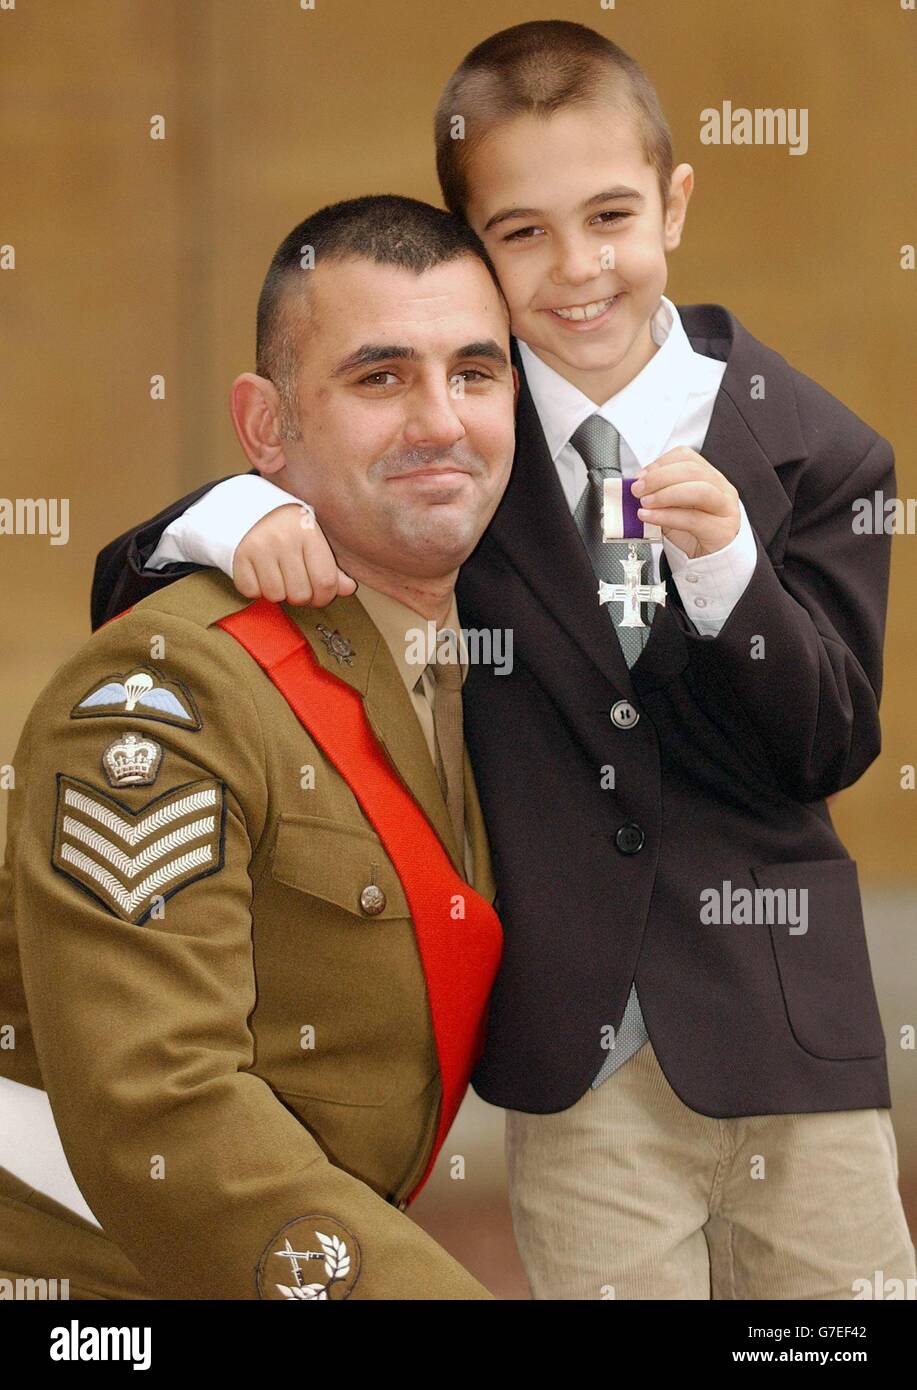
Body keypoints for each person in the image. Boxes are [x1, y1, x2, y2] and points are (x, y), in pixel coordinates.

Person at [91, 22, 915, 1299]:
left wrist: (729, 577)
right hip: (570, 1052)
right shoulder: (463, 439)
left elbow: (830, 744)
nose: (576, 268)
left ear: (673, 204)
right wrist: (233, 514)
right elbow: (129, 579)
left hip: (787, 1034)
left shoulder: (821, 449)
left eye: (608, 217)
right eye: (521, 233)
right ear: (473, 248)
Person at [0, 195, 517, 1300]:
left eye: (475, 373)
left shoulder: (476, 669)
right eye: (380, 377)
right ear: (267, 427)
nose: (441, 420)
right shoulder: (164, 691)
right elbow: (162, 1108)